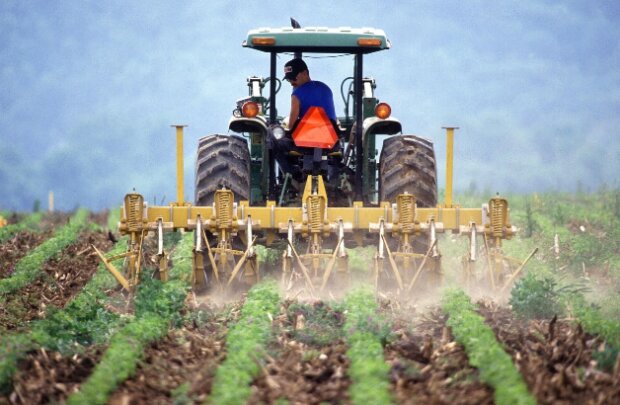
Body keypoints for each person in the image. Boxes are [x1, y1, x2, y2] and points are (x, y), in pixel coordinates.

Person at [283, 58, 337, 131]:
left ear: (305, 73)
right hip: (331, 136)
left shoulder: (296, 94)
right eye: (289, 79)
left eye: (294, 78)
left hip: (308, 137)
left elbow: (291, 127)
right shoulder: (326, 88)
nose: (292, 83)